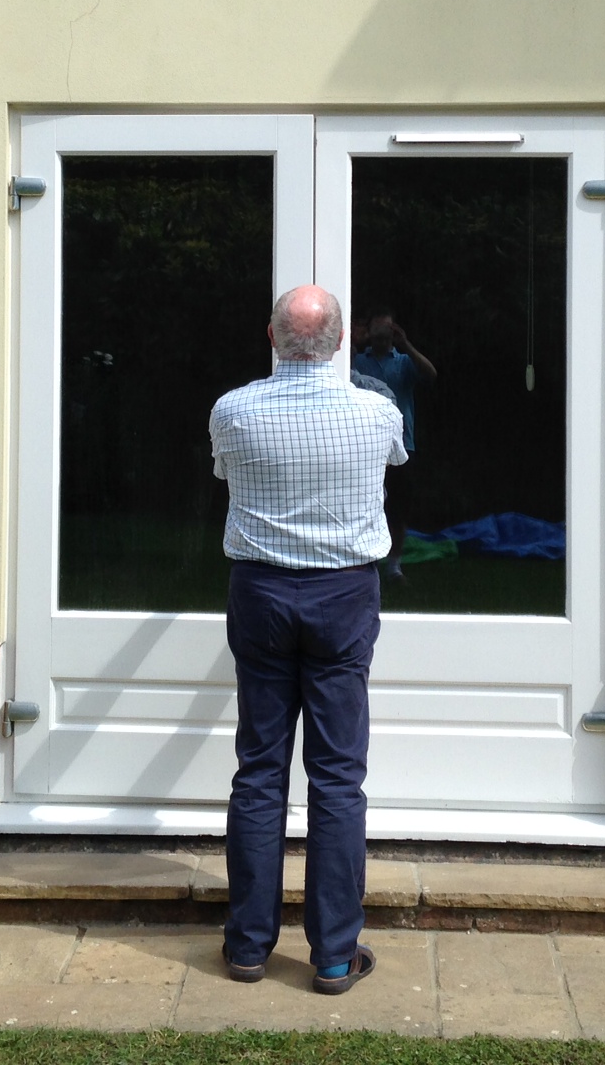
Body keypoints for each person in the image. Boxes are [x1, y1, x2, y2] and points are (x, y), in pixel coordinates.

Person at [209, 285, 405, 995]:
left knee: (260, 770)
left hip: (261, 593)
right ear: (341, 341)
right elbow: (396, 462)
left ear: (271, 335)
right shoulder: (376, 411)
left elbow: (224, 473)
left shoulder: (233, 410)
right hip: (344, 595)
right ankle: (331, 956)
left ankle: (249, 949)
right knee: (337, 778)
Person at [350, 313, 437, 580]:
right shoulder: (356, 361)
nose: (380, 333)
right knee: (362, 504)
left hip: (401, 443)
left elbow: (430, 374)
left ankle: (394, 564)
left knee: (398, 506)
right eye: (376, 328)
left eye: (386, 329)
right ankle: (365, 560)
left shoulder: (403, 362)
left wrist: (406, 345)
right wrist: (354, 340)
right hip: (363, 443)